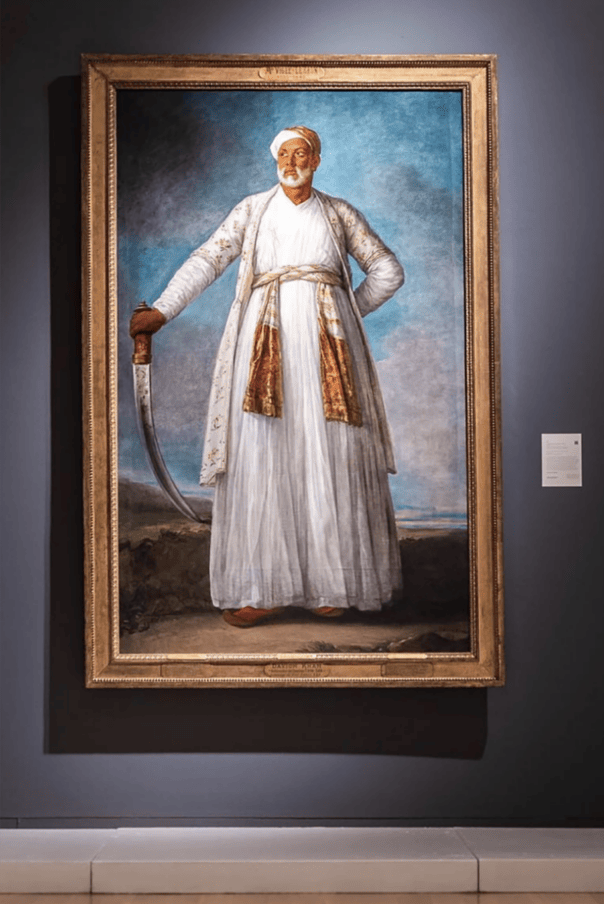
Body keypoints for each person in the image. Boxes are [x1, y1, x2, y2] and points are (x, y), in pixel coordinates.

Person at [129, 126, 405, 627]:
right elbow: (209, 258)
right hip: (264, 346)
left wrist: (345, 315)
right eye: (283, 152)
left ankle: (332, 585)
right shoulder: (252, 209)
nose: (291, 160)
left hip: (330, 356)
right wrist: (164, 311)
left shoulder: (340, 213)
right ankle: (261, 589)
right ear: (274, 159)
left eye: (301, 152)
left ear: (317, 160)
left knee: (331, 453)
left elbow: (387, 269)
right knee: (263, 453)